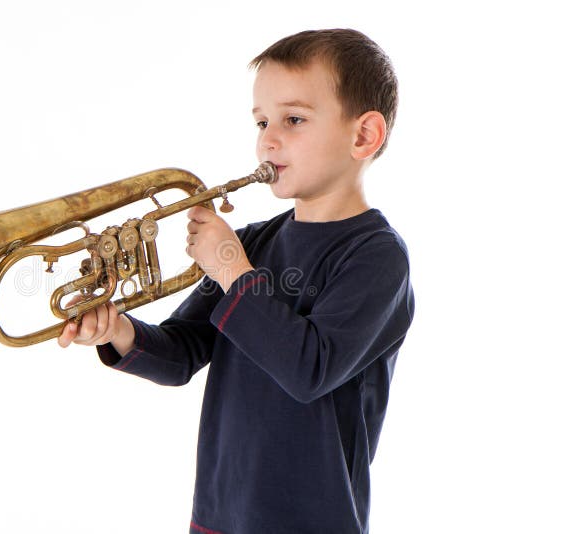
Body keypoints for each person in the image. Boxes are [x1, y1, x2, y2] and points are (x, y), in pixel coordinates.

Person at [58, 28, 415, 534]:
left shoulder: (377, 258)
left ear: (363, 136)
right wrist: (117, 331)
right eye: (262, 121)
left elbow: (307, 369)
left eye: (294, 119)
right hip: (219, 515)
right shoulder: (253, 243)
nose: (268, 139)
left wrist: (228, 265)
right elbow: (182, 353)